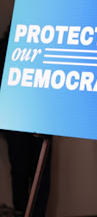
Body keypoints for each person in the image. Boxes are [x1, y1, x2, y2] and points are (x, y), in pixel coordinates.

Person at [0, 25, 51, 217]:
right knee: (21, 171)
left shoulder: (46, 49)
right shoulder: (5, 48)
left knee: (41, 173)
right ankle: (22, 212)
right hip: (16, 120)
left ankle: (32, 213)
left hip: (40, 119)